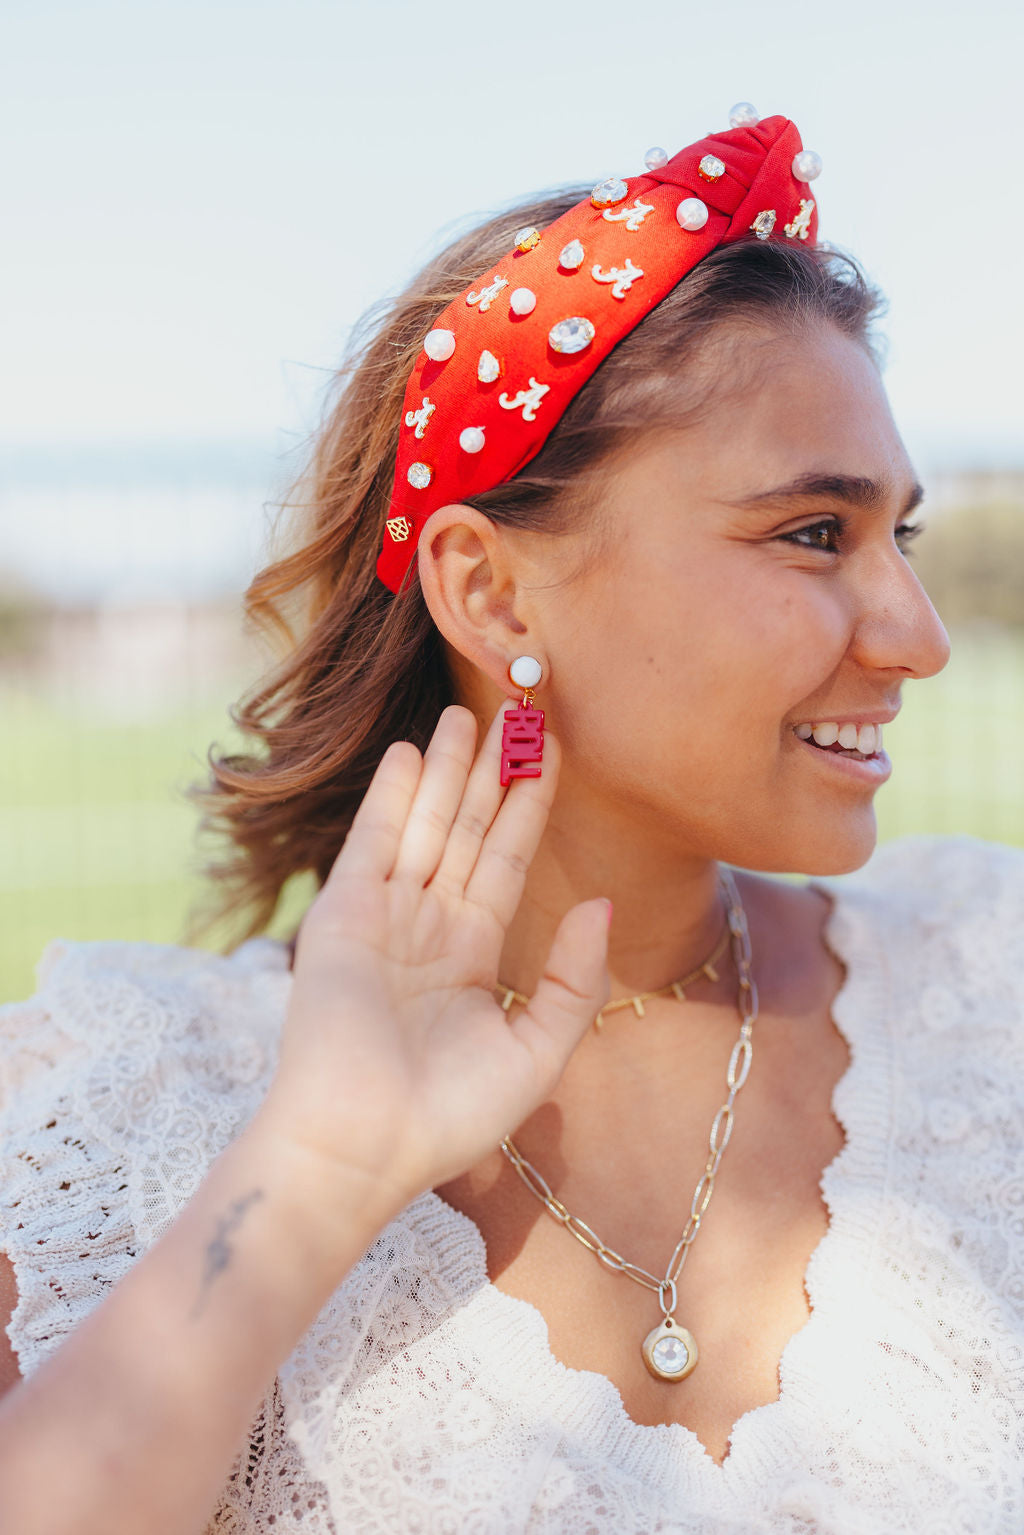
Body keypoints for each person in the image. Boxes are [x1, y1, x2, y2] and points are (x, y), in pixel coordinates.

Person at [0, 105, 1021, 1535]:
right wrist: (321, 1169)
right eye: (811, 534)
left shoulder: (992, 993)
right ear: (489, 592)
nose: (916, 637)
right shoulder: (111, 1113)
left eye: (895, 536)